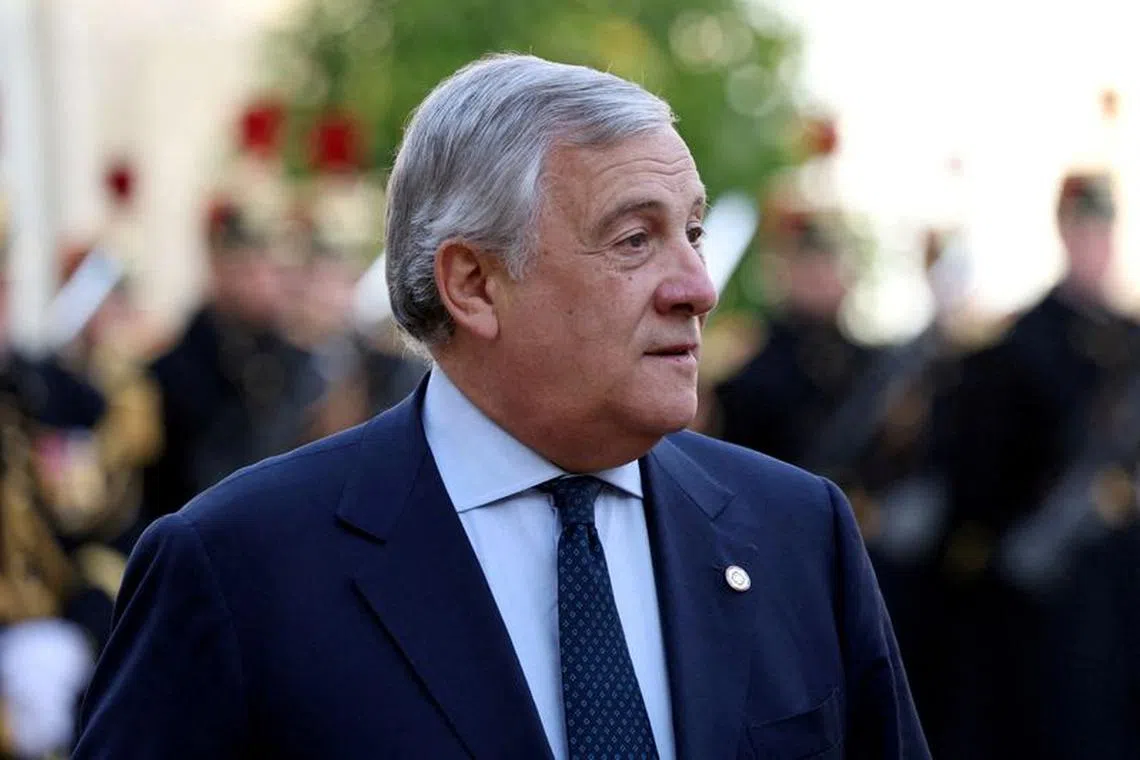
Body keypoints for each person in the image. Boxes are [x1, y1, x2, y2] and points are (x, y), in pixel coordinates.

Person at [75, 54, 928, 759]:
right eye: (635, 239)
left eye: (693, 233)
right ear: (475, 284)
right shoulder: (237, 567)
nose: (698, 288)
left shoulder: (794, 532)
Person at [936, 172, 1140, 759]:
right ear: (1064, 231)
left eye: (1103, 230)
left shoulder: (1128, 339)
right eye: (1084, 229)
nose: (1094, 244)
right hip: (1053, 606)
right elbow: (981, 483)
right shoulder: (1022, 346)